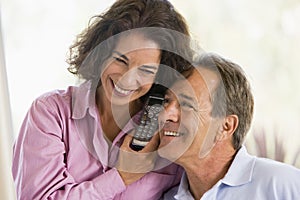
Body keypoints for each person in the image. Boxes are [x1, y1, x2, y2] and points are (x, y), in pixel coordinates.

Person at [12, 0, 193, 199]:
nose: (127, 79)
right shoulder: (50, 113)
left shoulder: (168, 130)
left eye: (146, 70)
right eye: (121, 60)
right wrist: (122, 176)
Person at [158, 53, 300, 200]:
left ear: (226, 126)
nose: (164, 114)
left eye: (187, 104)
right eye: (166, 101)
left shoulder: (281, 185)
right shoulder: (168, 197)